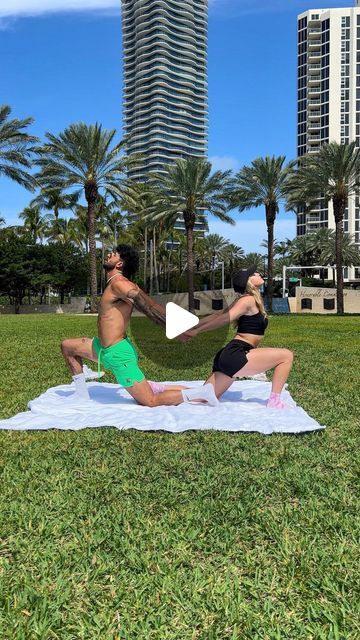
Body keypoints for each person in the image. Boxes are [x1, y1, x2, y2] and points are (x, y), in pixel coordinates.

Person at [61, 245, 218, 407]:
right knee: (67, 347)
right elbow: (152, 304)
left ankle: (201, 393)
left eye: (113, 254)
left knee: (150, 400)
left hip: (117, 354)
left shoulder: (120, 284)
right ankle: (81, 395)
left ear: (120, 264)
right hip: (102, 348)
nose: (109, 255)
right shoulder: (119, 284)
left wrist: (174, 328)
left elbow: (145, 306)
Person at [184, 266, 294, 409]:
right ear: (248, 282)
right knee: (287, 356)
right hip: (237, 354)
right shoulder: (247, 300)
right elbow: (224, 319)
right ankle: (274, 401)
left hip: (230, 356)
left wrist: (194, 325)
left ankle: (159, 390)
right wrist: (198, 331)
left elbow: (218, 315)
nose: (258, 274)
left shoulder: (244, 300)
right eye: (253, 274)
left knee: (201, 397)